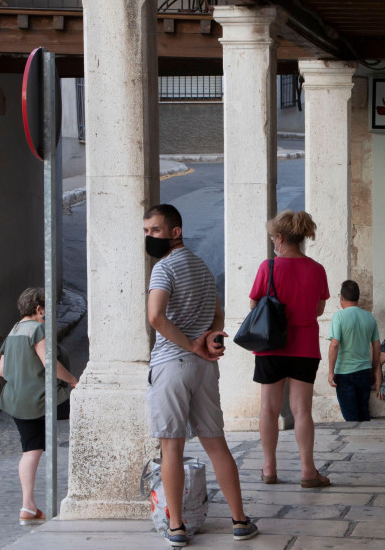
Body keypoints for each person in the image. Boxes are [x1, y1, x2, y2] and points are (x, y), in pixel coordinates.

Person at [144, 204, 257, 547]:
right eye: (146, 231)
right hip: (205, 369)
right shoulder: (202, 267)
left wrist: (192, 344)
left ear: (175, 231)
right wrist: (211, 337)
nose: (149, 237)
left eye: (155, 231)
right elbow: (218, 314)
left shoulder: (163, 269)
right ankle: (240, 520)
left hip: (171, 366)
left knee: (171, 449)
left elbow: (156, 317)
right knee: (216, 445)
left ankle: (176, 526)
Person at [249, 209, 330, 488]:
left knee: (268, 409)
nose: (273, 243)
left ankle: (269, 468)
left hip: (271, 347)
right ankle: (308, 471)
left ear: (281, 238)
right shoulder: (317, 269)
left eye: (273, 238)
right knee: (302, 411)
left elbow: (254, 305)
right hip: (305, 348)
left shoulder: (268, 267)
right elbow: (319, 309)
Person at [0, 287, 78, 526]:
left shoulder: (13, 331)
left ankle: (28, 506)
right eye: (48, 309)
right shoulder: (37, 329)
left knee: (30, 449)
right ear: (39, 309)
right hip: (41, 399)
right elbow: (49, 364)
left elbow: (1, 370)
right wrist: (74, 381)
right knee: (87, 408)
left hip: (16, 400)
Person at [327, 280, 381, 421]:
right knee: (363, 412)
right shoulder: (369, 317)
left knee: (350, 417)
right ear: (358, 297)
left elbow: (334, 345)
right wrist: (374, 370)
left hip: (344, 373)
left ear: (341, 297)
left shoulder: (339, 316)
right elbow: (376, 346)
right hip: (363, 371)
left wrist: (331, 371)